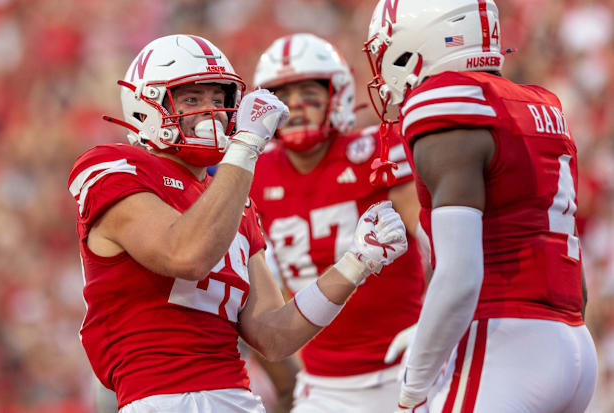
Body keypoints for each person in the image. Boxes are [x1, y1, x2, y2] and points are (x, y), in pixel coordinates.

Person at [67, 34, 409, 413]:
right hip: (160, 399)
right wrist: (245, 146)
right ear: (147, 104)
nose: (211, 111)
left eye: (220, 99)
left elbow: (274, 335)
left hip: (237, 398)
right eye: (192, 99)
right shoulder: (116, 166)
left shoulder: (232, 198)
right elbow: (185, 255)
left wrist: (356, 262)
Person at [363, 1, 598, 412]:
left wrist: (413, 385)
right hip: (573, 341)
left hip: (505, 343)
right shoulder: (539, 102)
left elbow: (460, 277)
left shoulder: (446, 102)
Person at [249, 33, 426, 413]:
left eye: (307, 91)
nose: (295, 106)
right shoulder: (254, 172)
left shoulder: (376, 150)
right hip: (321, 384)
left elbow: (437, 238)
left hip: (405, 368)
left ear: (338, 93)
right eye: (282, 94)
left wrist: (439, 323)